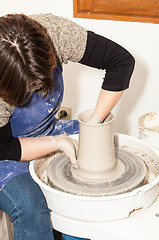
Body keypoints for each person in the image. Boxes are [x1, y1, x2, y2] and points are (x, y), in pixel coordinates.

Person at [0, 13, 135, 240]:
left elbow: (121, 61)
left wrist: (94, 124)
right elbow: (3, 148)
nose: (37, 89)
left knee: (89, 192)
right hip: (5, 150)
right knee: (30, 206)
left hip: (46, 128)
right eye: (30, 86)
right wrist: (56, 142)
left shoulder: (54, 33)